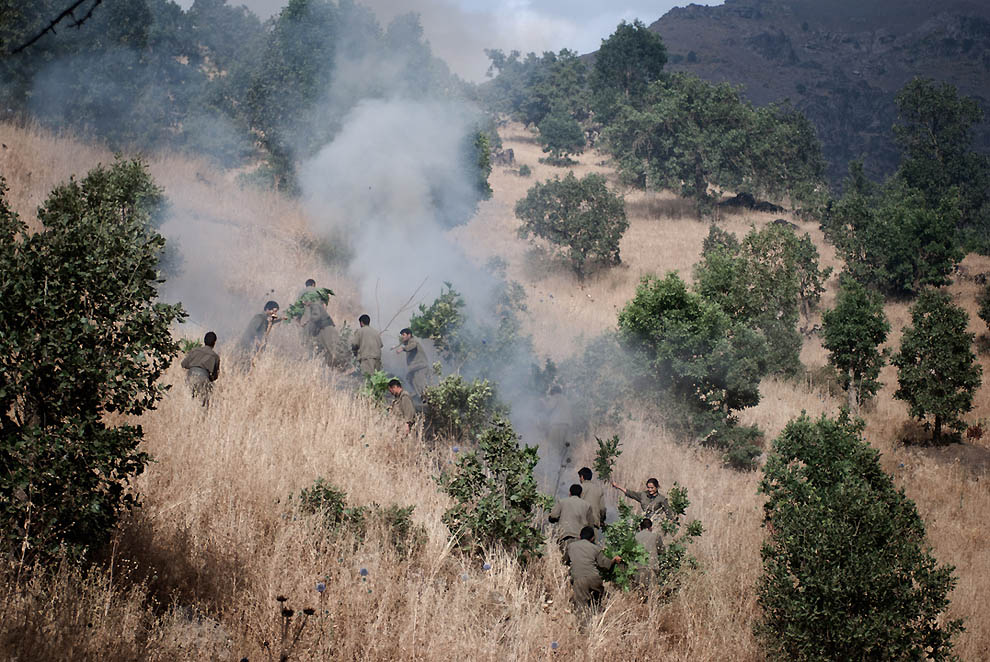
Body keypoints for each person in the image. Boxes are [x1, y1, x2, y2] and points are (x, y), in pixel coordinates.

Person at [563, 526, 622, 610]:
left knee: (581, 607)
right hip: (594, 579)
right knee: (596, 603)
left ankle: (586, 621)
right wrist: (614, 560)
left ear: (580, 537)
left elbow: (565, 561)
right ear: (592, 538)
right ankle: (597, 615)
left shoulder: (571, 546)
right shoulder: (596, 548)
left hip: (579, 579)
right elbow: (605, 565)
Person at [296, 280, 345, 366]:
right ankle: (336, 364)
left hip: (308, 323)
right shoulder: (318, 292)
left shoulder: (301, 292)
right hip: (321, 324)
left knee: (309, 342)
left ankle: (312, 360)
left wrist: (299, 321)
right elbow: (322, 307)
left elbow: (298, 308)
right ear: (313, 284)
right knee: (329, 345)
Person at [548, 484, 595, 553]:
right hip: (580, 538)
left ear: (570, 493)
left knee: (563, 559)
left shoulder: (562, 502)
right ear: (581, 494)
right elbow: (590, 525)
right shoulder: (587, 505)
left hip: (564, 536)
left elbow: (553, 516)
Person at [180, 331, 220, 406]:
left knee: (187, 401)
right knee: (203, 404)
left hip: (190, 377)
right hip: (204, 379)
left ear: (204, 340)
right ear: (214, 343)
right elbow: (215, 376)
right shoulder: (215, 357)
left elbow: (183, 364)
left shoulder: (195, 350)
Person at [395, 328, 430, 399]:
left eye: (404, 335)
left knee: (421, 383)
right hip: (415, 367)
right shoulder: (408, 342)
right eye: (401, 335)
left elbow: (413, 346)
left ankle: (426, 398)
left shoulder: (413, 341)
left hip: (420, 366)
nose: (402, 336)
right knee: (410, 378)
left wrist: (403, 349)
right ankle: (419, 395)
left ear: (409, 335)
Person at [634, 517, 661, 586]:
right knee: (651, 593)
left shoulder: (635, 537)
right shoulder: (655, 536)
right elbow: (662, 551)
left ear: (640, 528)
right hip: (652, 567)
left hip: (638, 568)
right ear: (650, 527)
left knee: (639, 592)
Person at [546, 384, 573, 449]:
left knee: (553, 449)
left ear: (554, 392)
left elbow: (548, 409)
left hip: (556, 426)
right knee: (563, 450)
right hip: (567, 427)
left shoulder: (555, 397)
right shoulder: (566, 400)